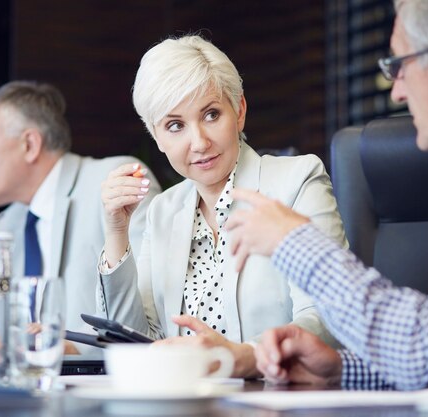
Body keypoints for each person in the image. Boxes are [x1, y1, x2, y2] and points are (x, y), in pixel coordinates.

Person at [226, 0, 428, 394]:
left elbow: (423, 351)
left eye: (399, 66)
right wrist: (340, 370)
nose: (397, 93)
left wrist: (293, 242)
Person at [96, 35, 348, 378]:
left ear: (239, 111)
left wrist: (243, 357)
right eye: (175, 126)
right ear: (157, 137)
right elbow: (139, 341)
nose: (199, 143)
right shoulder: (163, 210)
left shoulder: (297, 181)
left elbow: (327, 315)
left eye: (211, 114)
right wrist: (116, 232)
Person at [0, 81, 161, 350]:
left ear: (29, 144)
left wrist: (74, 348)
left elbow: (149, 319)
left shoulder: (112, 181)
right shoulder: (7, 225)